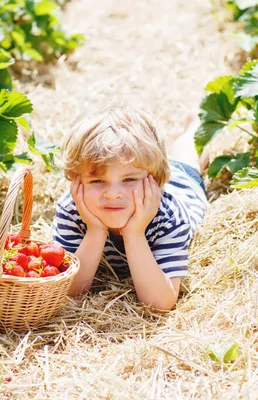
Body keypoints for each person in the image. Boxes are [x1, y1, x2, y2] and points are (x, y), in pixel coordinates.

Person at [51, 104, 208, 310]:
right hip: (150, 174)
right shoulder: (71, 212)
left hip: (185, 183)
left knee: (189, 155)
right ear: (76, 181)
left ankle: (194, 127)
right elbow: (68, 291)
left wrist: (134, 233)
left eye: (128, 179)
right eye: (98, 181)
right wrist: (96, 230)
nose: (113, 193)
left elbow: (160, 302)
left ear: (157, 181)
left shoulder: (169, 216)